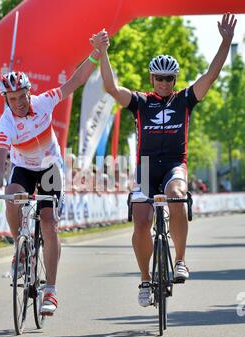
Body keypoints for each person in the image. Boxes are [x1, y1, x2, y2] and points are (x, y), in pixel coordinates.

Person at [91, 13, 237, 307]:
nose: (164, 83)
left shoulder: (185, 99)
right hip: (145, 169)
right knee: (142, 223)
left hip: (174, 165)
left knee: (177, 196)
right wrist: (103, 53)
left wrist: (225, 42)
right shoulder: (140, 102)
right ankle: (145, 278)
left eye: (169, 78)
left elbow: (210, 75)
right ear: (151, 78)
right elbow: (110, 87)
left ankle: (180, 260)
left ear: (175, 79)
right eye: (159, 78)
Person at [0, 31, 107, 316]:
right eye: (11, 98)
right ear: (6, 98)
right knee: (13, 196)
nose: (18, 102)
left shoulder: (43, 102)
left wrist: (95, 54)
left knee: (49, 222)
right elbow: (0, 157)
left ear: (29, 93)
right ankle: (21, 248)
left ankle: (50, 290)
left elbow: (74, 82)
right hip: (24, 168)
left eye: (21, 96)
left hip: (51, 167)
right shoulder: (6, 123)